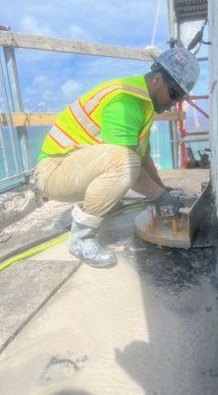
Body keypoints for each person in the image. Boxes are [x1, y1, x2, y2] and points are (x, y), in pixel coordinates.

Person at [34, 47, 200, 268]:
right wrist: (159, 196)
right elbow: (127, 161)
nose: (174, 102)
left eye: (180, 98)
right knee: (125, 162)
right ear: (157, 79)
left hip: (72, 168)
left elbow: (143, 157)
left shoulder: (144, 102)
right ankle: (81, 239)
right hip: (52, 172)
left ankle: (102, 204)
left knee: (131, 160)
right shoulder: (125, 100)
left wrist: (162, 191)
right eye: (174, 93)